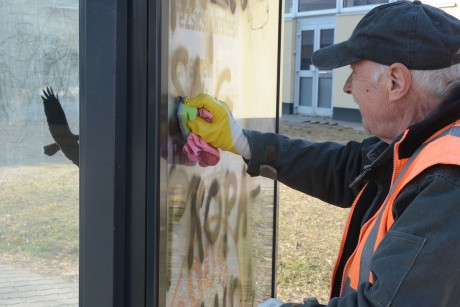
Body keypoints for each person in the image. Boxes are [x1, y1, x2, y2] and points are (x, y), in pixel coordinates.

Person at [183, 1, 460, 306]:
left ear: (396, 82)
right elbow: (346, 168)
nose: (346, 86)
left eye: (355, 72)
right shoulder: (424, 141)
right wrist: (241, 141)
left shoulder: (448, 178)